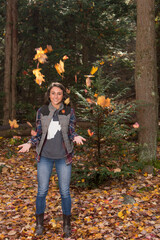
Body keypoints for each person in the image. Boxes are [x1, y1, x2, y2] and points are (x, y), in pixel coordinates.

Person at [18, 82, 86, 237]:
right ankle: (39, 224)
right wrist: (30, 143)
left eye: (59, 93)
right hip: (45, 157)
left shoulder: (68, 111)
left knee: (65, 192)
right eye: (53, 93)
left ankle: (67, 226)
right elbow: (39, 133)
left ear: (63, 96)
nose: (56, 96)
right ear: (49, 95)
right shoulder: (42, 111)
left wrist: (75, 136)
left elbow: (70, 131)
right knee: (42, 191)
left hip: (64, 157)